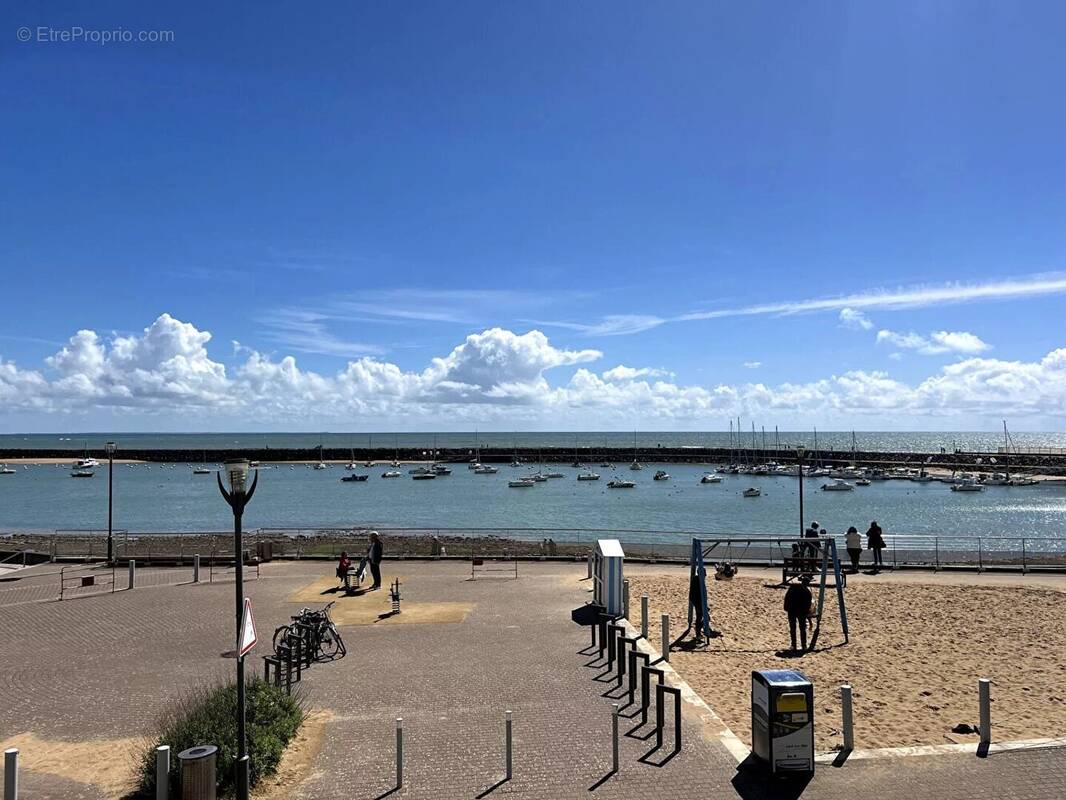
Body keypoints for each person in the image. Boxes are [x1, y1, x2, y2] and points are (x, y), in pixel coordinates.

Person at [784, 575, 813, 652]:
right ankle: (803, 645)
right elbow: (808, 605)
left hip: (792, 610)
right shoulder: (807, 592)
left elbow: (787, 598)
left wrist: (786, 608)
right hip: (801, 612)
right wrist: (808, 615)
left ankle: (794, 645)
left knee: (793, 628)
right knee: (802, 629)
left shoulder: (793, 588)